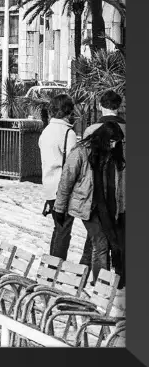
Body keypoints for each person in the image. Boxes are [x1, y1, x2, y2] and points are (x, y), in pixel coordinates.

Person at [55, 121, 126, 287]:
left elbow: (119, 187)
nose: (114, 145)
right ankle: (101, 285)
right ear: (103, 138)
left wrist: (121, 210)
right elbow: (66, 180)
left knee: (111, 243)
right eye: (111, 141)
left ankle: (106, 281)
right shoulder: (81, 152)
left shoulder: (114, 154)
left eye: (117, 142)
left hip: (108, 206)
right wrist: (59, 208)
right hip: (88, 206)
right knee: (100, 244)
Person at [39, 93, 91, 264]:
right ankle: (55, 268)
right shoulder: (67, 133)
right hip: (63, 188)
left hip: (49, 185)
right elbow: (73, 163)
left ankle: (50, 266)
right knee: (64, 230)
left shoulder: (46, 131)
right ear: (68, 111)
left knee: (58, 228)